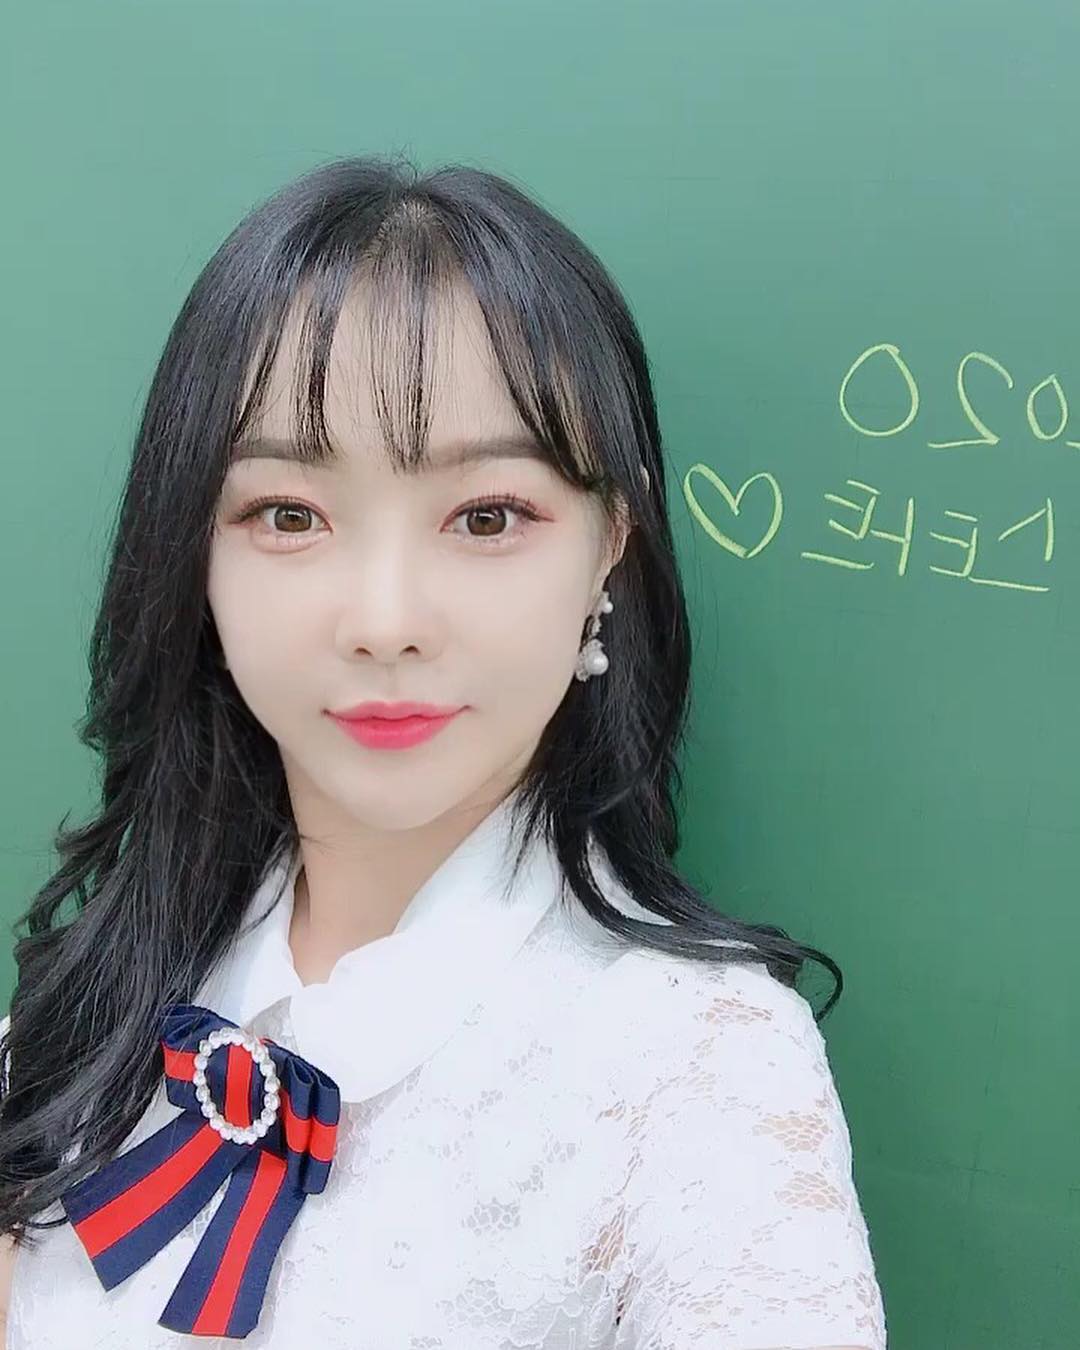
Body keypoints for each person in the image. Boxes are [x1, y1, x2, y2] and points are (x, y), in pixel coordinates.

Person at [0, 156, 887, 1348]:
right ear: (195, 553)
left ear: (610, 544)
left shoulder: (697, 1074)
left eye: (486, 516)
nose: (385, 621)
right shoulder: (86, 1007)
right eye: (289, 515)